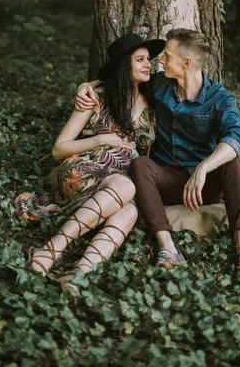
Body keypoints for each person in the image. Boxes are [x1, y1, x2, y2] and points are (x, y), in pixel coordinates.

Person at [76, 28, 240, 282]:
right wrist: (87, 86)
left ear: (186, 63)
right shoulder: (161, 85)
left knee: (231, 161)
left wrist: (203, 168)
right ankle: (167, 247)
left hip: (203, 185)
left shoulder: (220, 99)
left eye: (167, 56)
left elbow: (237, 136)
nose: (159, 62)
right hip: (166, 180)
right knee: (141, 164)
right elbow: (122, 78)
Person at [15, 33, 165, 288]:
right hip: (84, 170)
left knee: (130, 210)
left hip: (118, 184)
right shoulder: (95, 98)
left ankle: (80, 273)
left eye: (148, 59)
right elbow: (58, 149)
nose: (147, 64)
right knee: (127, 188)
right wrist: (102, 139)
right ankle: (53, 248)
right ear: (122, 67)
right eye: (139, 59)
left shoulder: (152, 101)